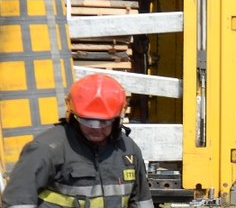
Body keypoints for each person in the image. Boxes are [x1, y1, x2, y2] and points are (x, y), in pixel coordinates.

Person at [1, 73, 153, 208]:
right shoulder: (46, 149)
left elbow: (141, 201)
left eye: (104, 123)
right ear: (73, 115)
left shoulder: (128, 150)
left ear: (118, 119)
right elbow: (18, 201)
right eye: (88, 122)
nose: (96, 129)